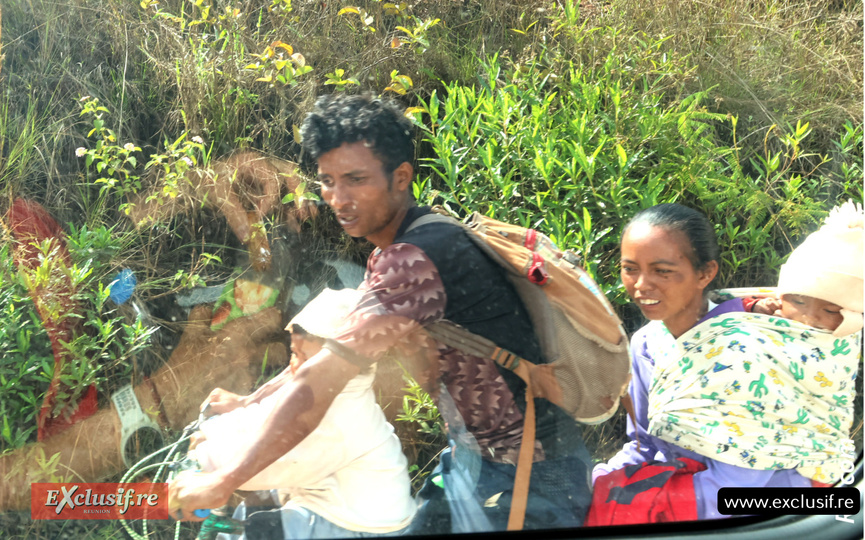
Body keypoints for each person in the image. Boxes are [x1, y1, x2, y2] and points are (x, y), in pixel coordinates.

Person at [169, 93, 593, 533]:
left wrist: (224, 481)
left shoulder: (413, 261)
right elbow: (322, 355)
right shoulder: (423, 235)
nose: (338, 198)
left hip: (526, 477)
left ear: (401, 177)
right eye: (328, 181)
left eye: (356, 180)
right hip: (480, 459)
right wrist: (250, 401)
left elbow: (323, 377)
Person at [587, 203, 817, 525]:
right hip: (689, 495)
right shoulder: (645, 345)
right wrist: (594, 486)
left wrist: (639, 505)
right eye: (630, 269)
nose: (641, 285)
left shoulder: (749, 352)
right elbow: (644, 444)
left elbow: (740, 484)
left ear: (705, 273)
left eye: (662, 271)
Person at [189, 287, 416, 538]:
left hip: (356, 526)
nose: (295, 366)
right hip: (326, 503)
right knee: (249, 510)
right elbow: (269, 417)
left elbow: (269, 462)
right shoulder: (325, 386)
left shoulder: (338, 417)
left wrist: (205, 460)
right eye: (293, 353)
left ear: (337, 363)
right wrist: (215, 430)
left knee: (250, 529)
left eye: (305, 358)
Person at [744, 200, 863, 336]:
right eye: (798, 302)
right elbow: (730, 310)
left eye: (831, 311)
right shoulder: (774, 310)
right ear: (782, 298)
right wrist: (755, 307)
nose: (810, 317)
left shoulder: (854, 338)